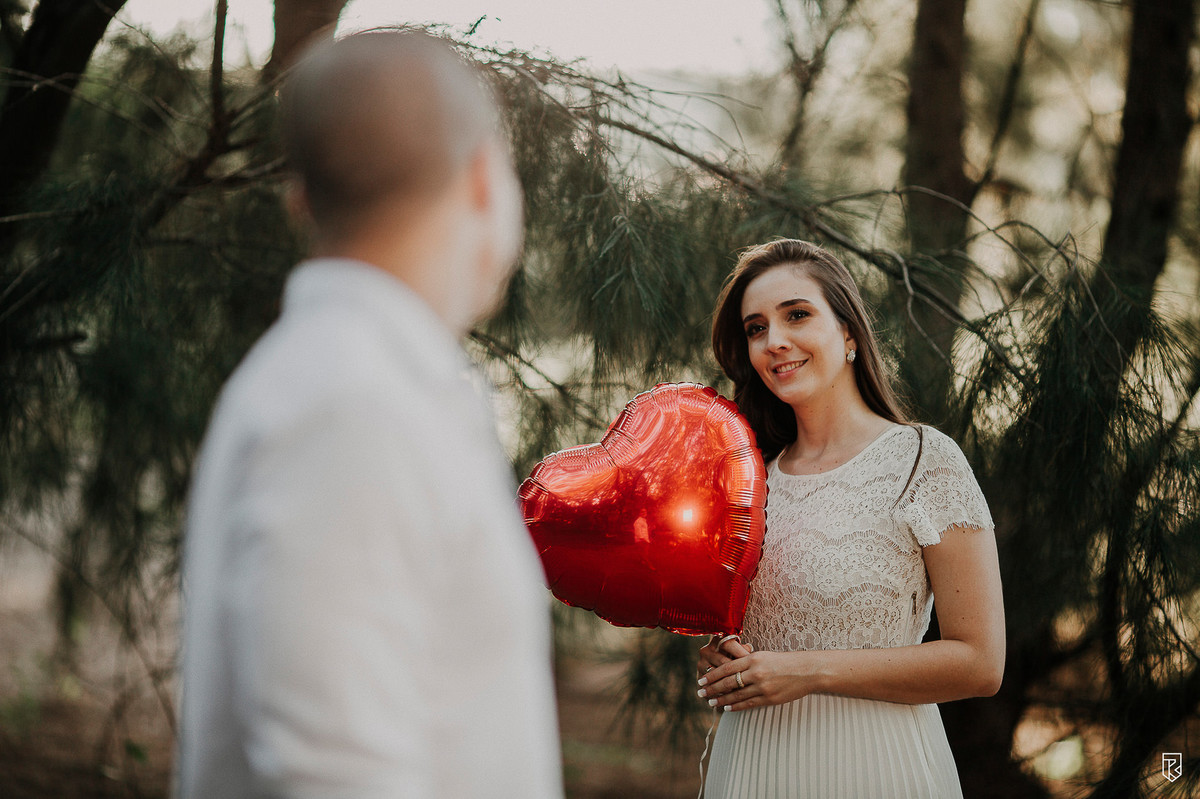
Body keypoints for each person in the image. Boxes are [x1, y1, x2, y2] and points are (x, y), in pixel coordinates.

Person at [175, 31, 563, 798]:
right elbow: (336, 770)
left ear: (301, 202)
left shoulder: (362, 380)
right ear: (485, 178)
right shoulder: (351, 405)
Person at [695, 239, 1005, 798]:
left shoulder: (923, 460)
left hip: (879, 764)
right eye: (756, 328)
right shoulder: (748, 480)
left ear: (849, 332)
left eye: (797, 315)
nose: (775, 341)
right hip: (754, 764)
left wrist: (806, 670)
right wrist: (730, 657)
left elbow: (981, 663)